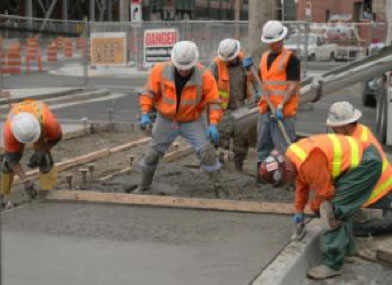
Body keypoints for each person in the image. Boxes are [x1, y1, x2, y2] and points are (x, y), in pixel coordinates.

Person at [259, 134, 382, 280]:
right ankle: (348, 250)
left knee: (333, 211)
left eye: (285, 181)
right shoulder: (293, 156)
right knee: (340, 205)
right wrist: (298, 210)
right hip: (362, 159)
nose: (288, 183)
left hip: (365, 164)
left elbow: (325, 193)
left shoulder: (309, 161)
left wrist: (315, 207)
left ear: (286, 172)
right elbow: (302, 184)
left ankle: (332, 264)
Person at [136, 41, 222, 194]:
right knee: (152, 154)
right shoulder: (160, 70)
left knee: (207, 152)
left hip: (192, 120)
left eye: (186, 67)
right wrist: (144, 113)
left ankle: (218, 187)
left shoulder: (204, 75)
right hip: (166, 119)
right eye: (180, 67)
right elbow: (148, 93)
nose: (183, 70)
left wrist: (213, 123)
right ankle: (143, 186)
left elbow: (214, 101)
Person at [326, 101, 392, 236]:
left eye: (335, 127)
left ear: (346, 126)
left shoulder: (356, 145)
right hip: (384, 187)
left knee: (355, 226)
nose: (333, 130)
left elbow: (347, 179)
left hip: (377, 193)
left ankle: (360, 228)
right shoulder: (361, 130)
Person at [257, 20, 300, 182]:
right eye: (269, 42)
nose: (272, 45)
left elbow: (292, 84)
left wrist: (281, 105)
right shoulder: (264, 57)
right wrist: (250, 73)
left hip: (283, 112)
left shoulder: (291, 59)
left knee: (284, 148)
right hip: (265, 109)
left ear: (282, 39)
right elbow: (262, 82)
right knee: (263, 146)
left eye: (274, 42)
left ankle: (285, 180)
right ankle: (263, 177)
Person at [1, 99, 62, 209]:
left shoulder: (49, 122)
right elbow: (12, 160)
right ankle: (3, 195)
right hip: (18, 125)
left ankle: (47, 193)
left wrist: (41, 152)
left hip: (40, 125)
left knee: (45, 160)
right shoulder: (9, 131)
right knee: (6, 164)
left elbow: (57, 137)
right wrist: (25, 180)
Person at [209, 38, 254, 171]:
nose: (227, 61)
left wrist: (251, 70)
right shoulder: (215, 65)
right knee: (221, 138)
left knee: (241, 139)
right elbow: (209, 88)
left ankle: (238, 165)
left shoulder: (244, 63)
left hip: (241, 107)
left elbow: (255, 80)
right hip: (223, 109)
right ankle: (220, 164)